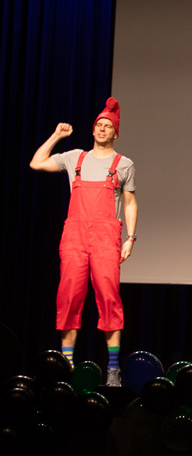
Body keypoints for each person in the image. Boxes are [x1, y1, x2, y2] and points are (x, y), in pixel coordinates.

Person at [30, 97, 137, 387]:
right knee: (68, 296)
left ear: (116, 133)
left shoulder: (123, 164)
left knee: (109, 297)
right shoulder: (74, 157)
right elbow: (36, 162)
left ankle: (112, 368)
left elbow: (129, 202)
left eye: (108, 126)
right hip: (75, 236)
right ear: (93, 130)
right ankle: (67, 364)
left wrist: (130, 237)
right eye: (98, 125)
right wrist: (56, 136)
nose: (102, 129)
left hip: (106, 237)